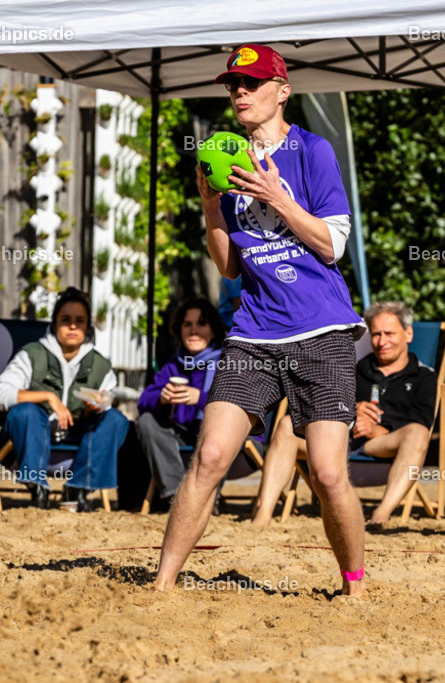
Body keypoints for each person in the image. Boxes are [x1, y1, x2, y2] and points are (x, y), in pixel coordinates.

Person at [155, 44, 367, 595]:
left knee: (326, 473)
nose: (241, 92)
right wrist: (209, 206)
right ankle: (162, 584)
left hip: (322, 330)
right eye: (233, 85)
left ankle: (355, 586)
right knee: (210, 456)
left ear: (282, 89)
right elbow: (228, 265)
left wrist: (279, 196)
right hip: (253, 333)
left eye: (251, 82)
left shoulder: (312, 151)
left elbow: (332, 245)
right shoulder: (224, 155)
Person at [252, 302, 437, 527]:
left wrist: (381, 428)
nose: (381, 341)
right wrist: (352, 411)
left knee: (418, 433)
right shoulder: (353, 369)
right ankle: (262, 516)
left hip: (381, 444)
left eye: (389, 333)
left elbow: (422, 420)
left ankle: (381, 515)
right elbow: (317, 406)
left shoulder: (423, 376)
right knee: (286, 425)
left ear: (408, 334)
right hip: (339, 441)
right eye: (376, 334)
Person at [0, 287, 129, 511]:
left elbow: (108, 398)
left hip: (78, 443)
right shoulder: (32, 354)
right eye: (66, 320)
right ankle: (37, 487)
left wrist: (92, 409)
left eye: (79, 320)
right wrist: (48, 397)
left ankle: (76, 489)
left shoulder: (99, 365)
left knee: (115, 419)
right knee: (24, 411)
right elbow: (0, 393)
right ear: (54, 324)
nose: (73, 326)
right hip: (27, 442)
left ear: (87, 327)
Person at [137, 297, 263, 511]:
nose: (194, 331)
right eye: (188, 324)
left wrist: (201, 399)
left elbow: (244, 404)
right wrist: (162, 397)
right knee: (147, 421)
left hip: (237, 447)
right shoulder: (174, 364)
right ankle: (177, 498)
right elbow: (143, 401)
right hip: (187, 443)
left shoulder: (230, 360)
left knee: (220, 426)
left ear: (213, 330)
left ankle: (203, 501)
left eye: (201, 324)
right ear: (180, 330)